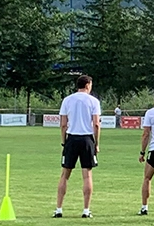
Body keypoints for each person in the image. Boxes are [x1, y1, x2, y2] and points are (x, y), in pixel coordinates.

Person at [56, 75, 101, 218]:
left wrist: (64, 142)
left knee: (65, 174)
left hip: (72, 138)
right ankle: (86, 210)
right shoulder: (93, 101)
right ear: (88, 85)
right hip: (87, 139)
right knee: (87, 176)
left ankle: (59, 209)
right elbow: (96, 124)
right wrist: (96, 143)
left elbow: (63, 124)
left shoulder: (67, 100)